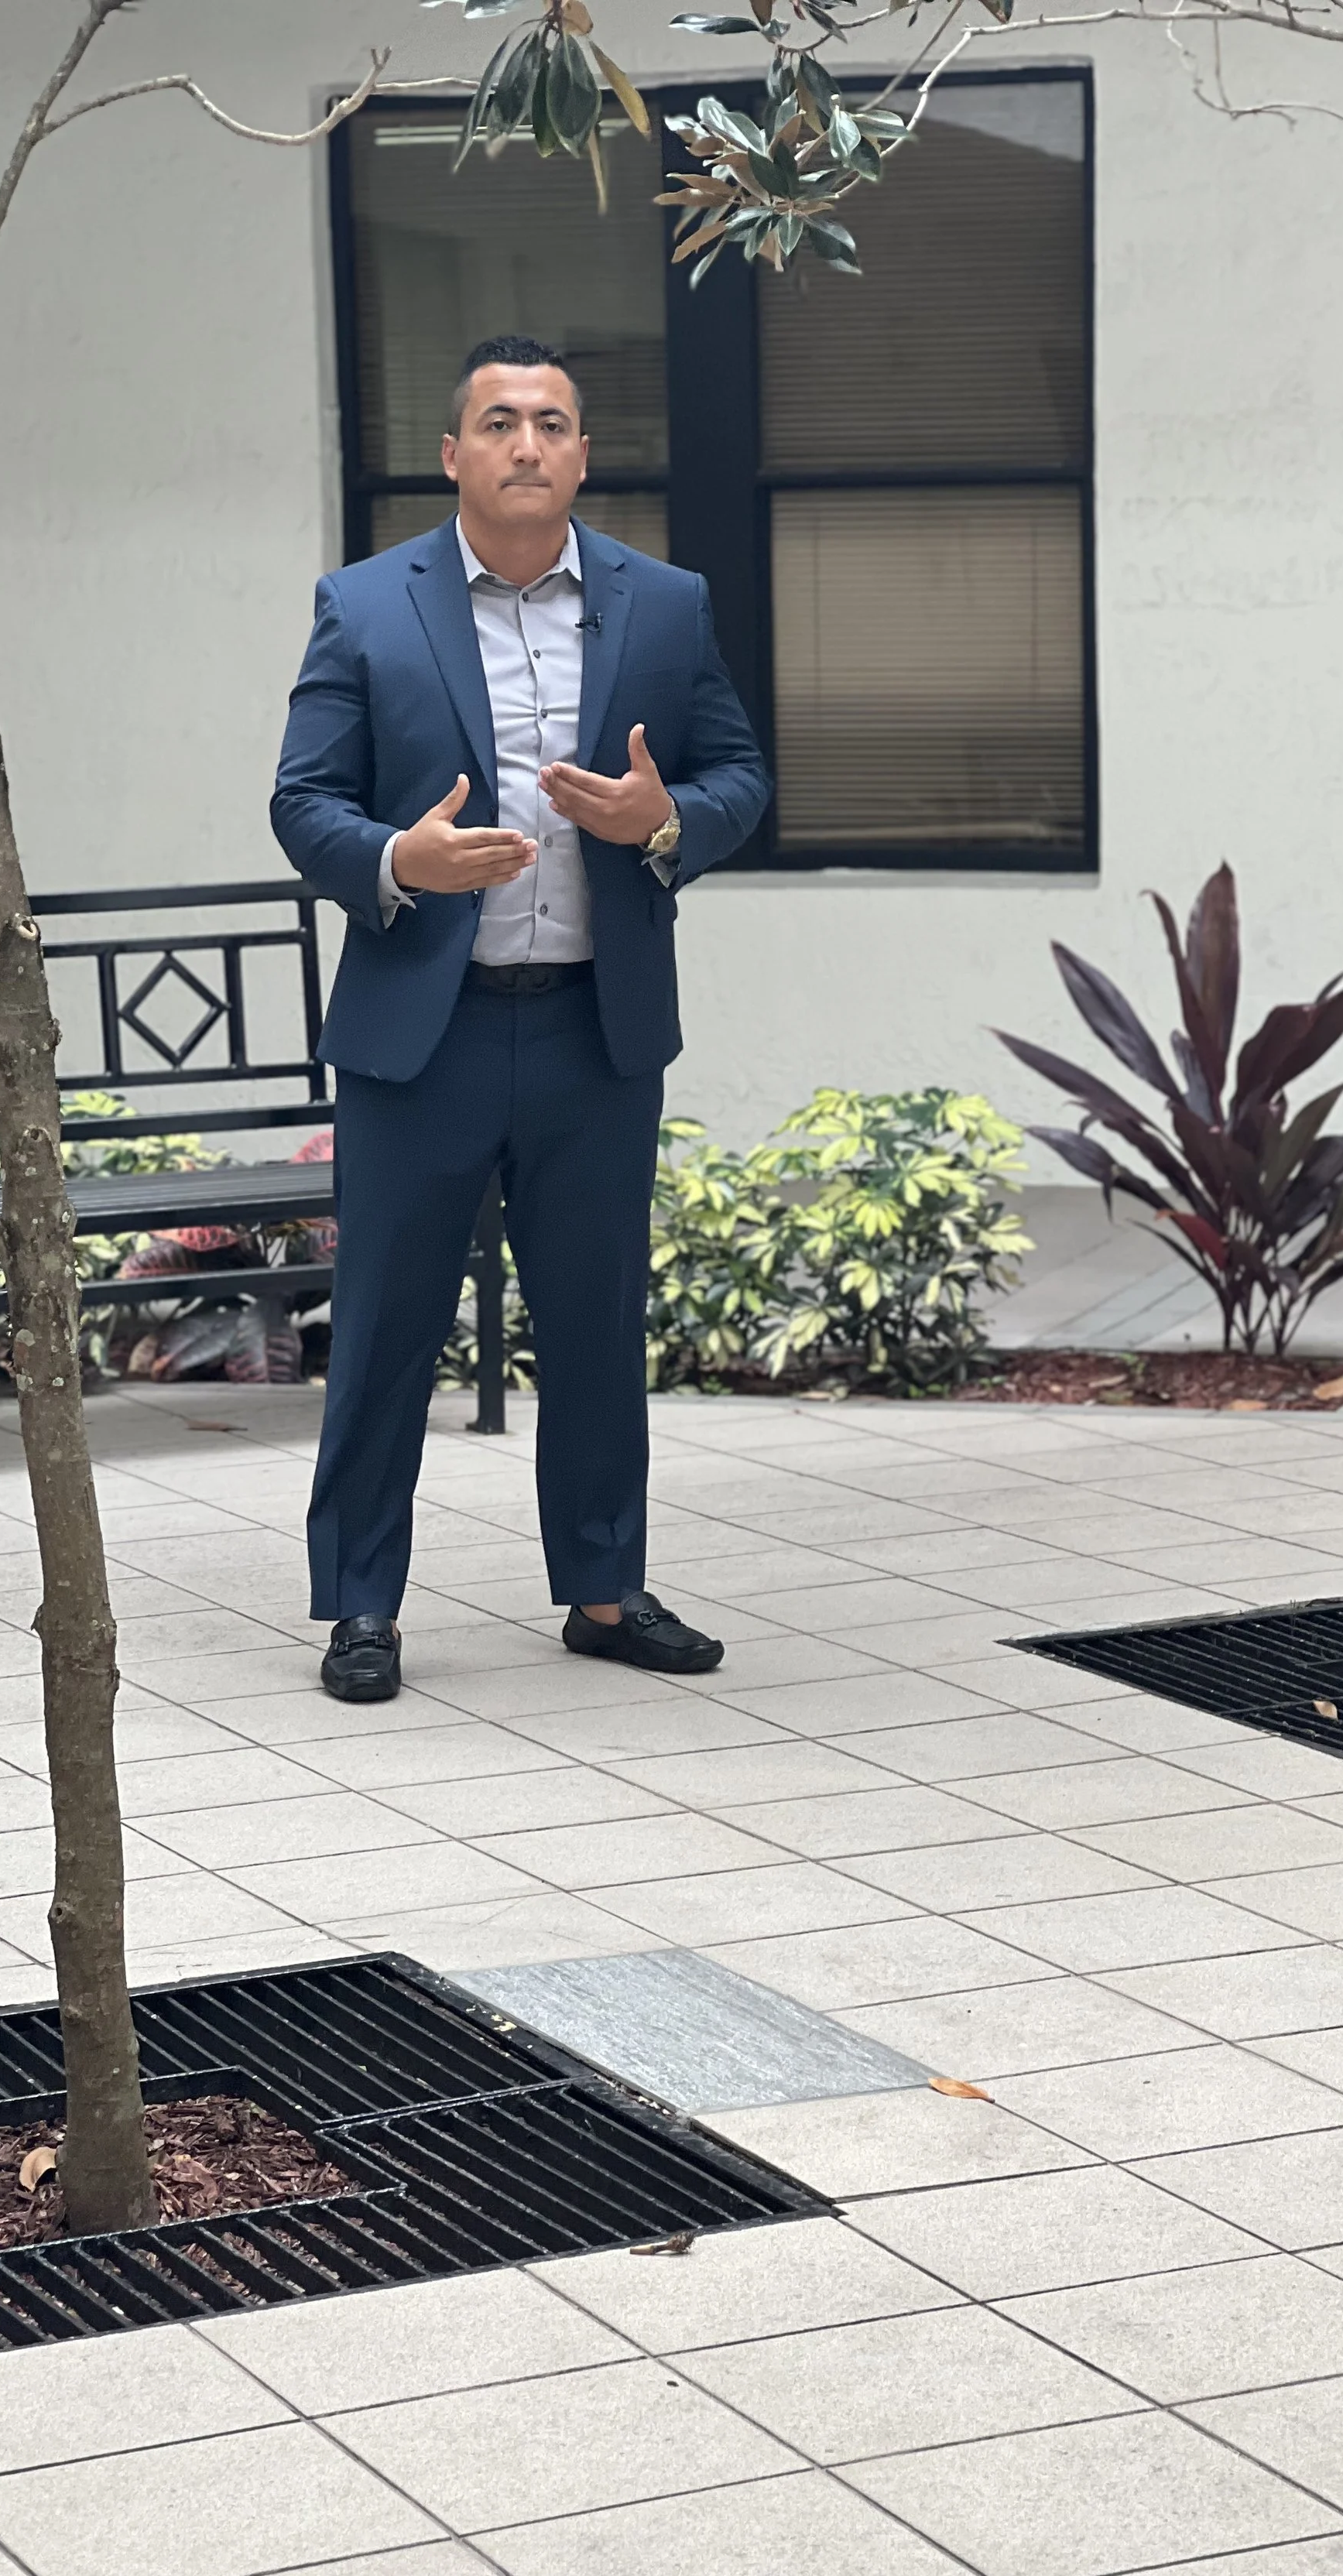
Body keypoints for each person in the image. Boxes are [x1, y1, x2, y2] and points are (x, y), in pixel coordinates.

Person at [272, 335, 770, 1703]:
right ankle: (361, 1606)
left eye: (552, 422)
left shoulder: (664, 605)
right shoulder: (367, 607)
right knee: (385, 1329)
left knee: (598, 1322)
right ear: (454, 454)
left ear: (583, 453)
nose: (527, 444)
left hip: (590, 1032)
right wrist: (394, 863)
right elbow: (304, 800)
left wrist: (666, 820)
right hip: (416, 1039)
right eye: (499, 421)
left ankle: (606, 1592)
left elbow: (739, 774)